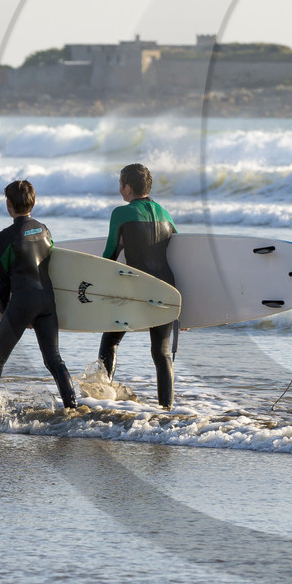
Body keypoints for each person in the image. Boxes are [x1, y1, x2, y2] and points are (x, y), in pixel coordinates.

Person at [0, 180, 78, 418]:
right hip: (47, 302)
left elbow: (3, 278)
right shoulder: (44, 230)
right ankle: (73, 409)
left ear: (8, 204)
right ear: (34, 201)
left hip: (22, 303)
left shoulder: (4, 237)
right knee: (54, 360)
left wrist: (5, 310)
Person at [98, 163, 178, 409]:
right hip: (167, 289)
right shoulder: (165, 214)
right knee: (161, 353)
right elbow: (180, 255)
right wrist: (180, 308)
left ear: (127, 187)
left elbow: (109, 256)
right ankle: (167, 410)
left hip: (137, 289)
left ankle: (104, 400)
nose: (120, 189)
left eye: (120, 184)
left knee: (110, 341)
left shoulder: (120, 214)